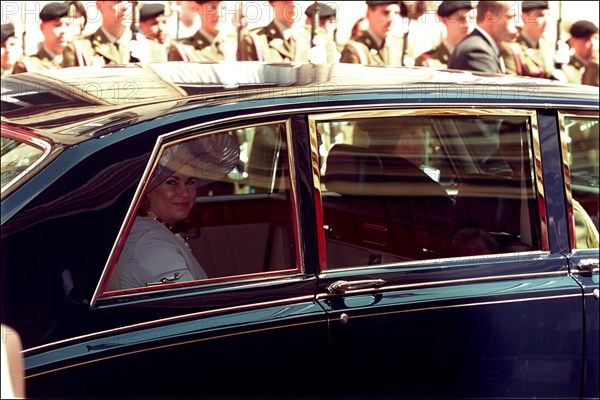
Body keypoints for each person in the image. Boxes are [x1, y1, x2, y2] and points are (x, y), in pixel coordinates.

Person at [114, 134, 240, 290]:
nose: (185, 193)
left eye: (190, 182)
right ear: (146, 190)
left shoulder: (145, 229)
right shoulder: (151, 243)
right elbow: (191, 306)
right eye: (172, 182)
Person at [62, 0, 166, 67]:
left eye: (131, 1)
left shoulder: (154, 49)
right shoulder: (79, 49)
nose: (126, 6)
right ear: (99, 5)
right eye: (118, 1)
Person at [240, 0, 334, 62]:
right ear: (272, 3)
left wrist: (323, 68)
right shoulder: (255, 41)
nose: (293, 4)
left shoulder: (321, 38)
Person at [448, 1, 519, 73]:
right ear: (490, 17)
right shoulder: (477, 51)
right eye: (510, 17)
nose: (520, 24)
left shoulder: (484, 46)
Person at [501, 1, 559, 79]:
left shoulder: (546, 45)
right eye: (540, 15)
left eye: (548, 15)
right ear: (524, 17)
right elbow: (511, 84)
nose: (546, 21)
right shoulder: (511, 47)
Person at [340, 1, 404, 66]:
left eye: (396, 13)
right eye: (386, 12)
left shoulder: (396, 47)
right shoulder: (356, 50)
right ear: (368, 14)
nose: (392, 19)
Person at [13, 2, 71, 74]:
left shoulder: (80, 59)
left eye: (68, 25)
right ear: (42, 27)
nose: (64, 31)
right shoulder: (28, 66)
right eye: (57, 25)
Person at [168, 1, 235, 61]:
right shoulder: (183, 50)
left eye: (223, 8)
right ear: (195, 7)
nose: (219, 14)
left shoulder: (236, 44)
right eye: (212, 7)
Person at [415, 0, 474, 69]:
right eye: (461, 19)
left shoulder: (479, 55)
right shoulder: (427, 61)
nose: (468, 24)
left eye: (472, 18)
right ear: (444, 20)